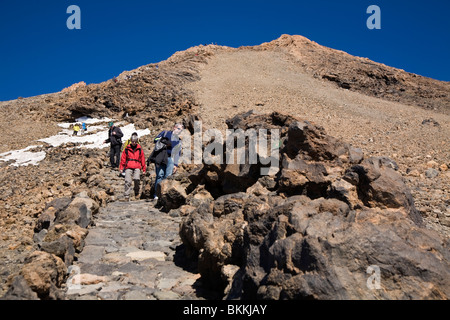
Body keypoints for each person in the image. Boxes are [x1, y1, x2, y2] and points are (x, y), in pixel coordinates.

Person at [148, 123, 183, 200]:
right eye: (179, 129)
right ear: (175, 127)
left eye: (181, 130)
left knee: (168, 176)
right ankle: (157, 194)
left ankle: (164, 195)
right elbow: (155, 140)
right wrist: (163, 141)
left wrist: (175, 165)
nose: (180, 131)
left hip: (170, 158)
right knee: (160, 175)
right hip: (161, 156)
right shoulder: (165, 133)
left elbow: (177, 153)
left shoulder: (179, 141)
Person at [119, 134, 146, 201]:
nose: (134, 143)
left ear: (137, 141)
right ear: (131, 141)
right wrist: (121, 168)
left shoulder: (139, 149)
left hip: (137, 166)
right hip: (128, 166)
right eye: (132, 141)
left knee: (137, 179)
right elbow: (123, 159)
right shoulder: (127, 149)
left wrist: (144, 169)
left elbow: (142, 159)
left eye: (135, 141)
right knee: (127, 181)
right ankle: (127, 196)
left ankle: (136, 192)